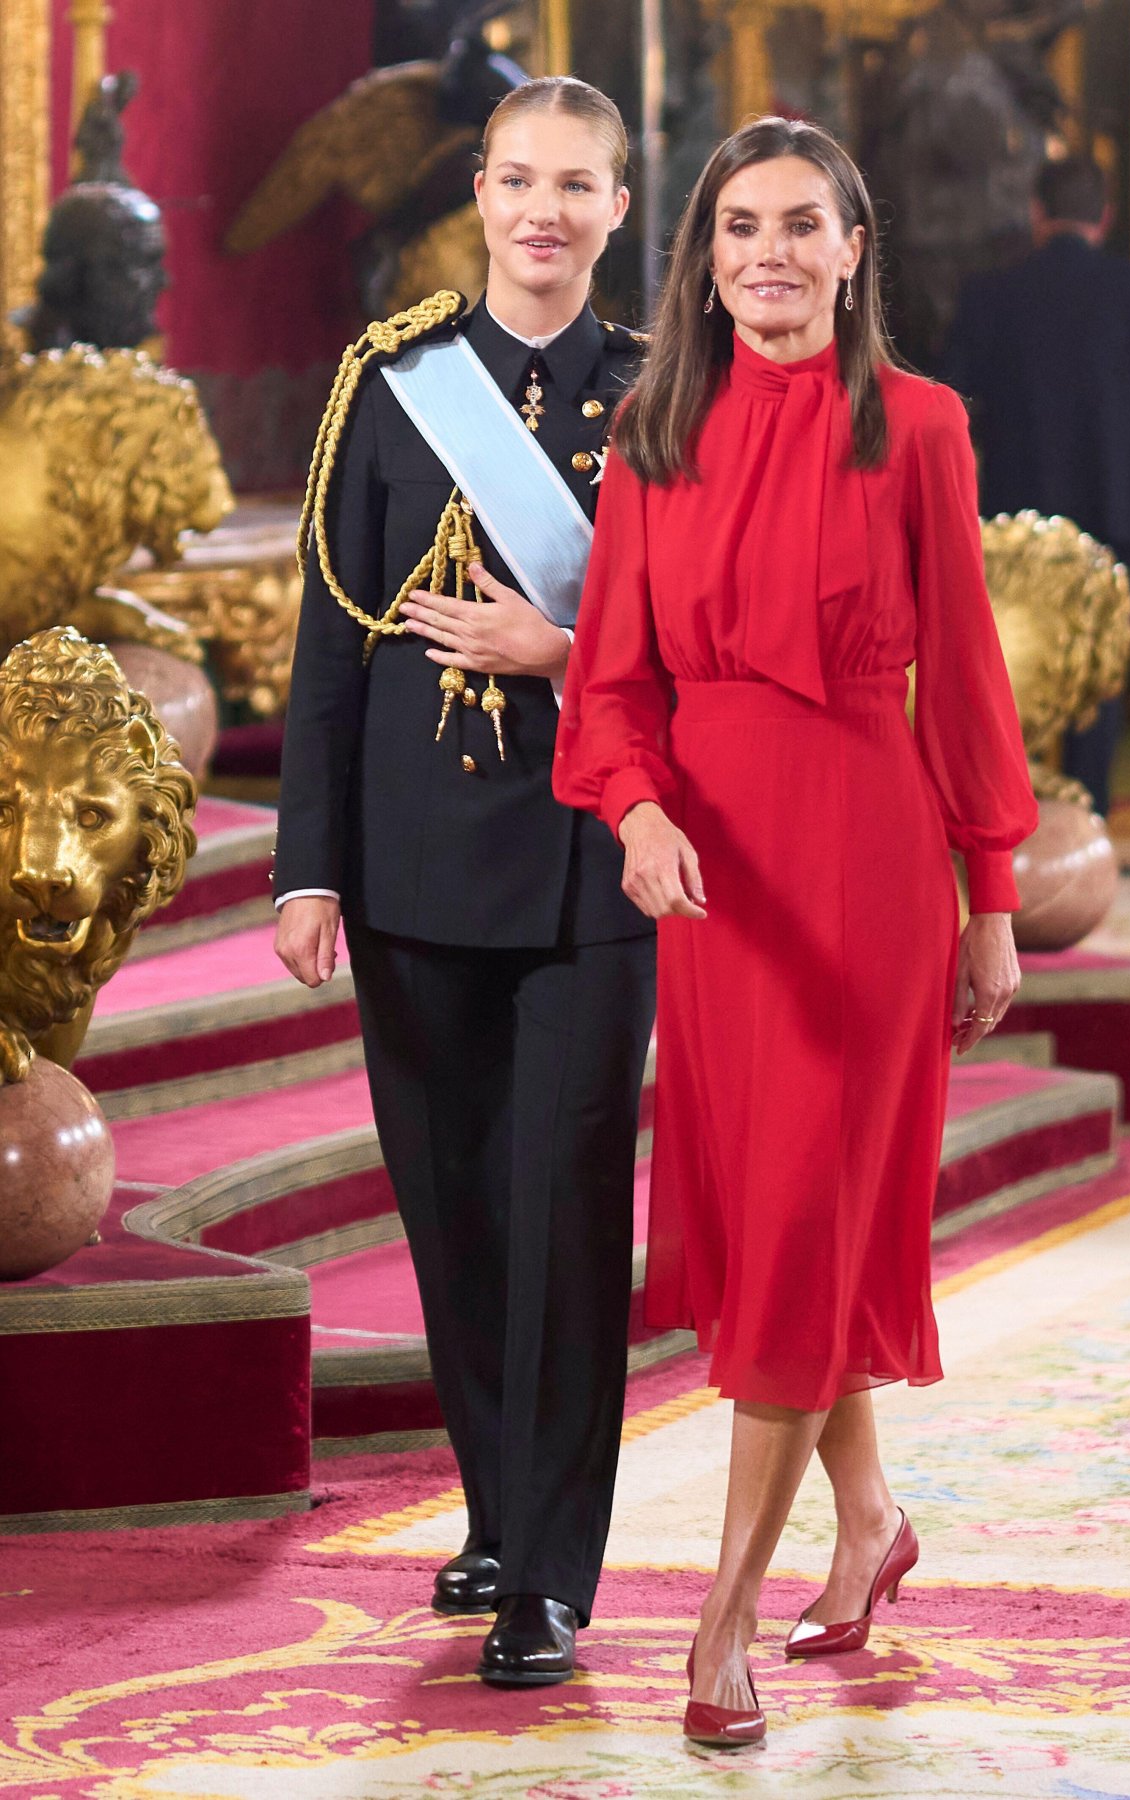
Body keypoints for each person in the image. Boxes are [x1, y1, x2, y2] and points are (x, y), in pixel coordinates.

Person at [554, 117, 1037, 1747]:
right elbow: (611, 681)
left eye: (801, 225)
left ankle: (721, 1618)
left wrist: (995, 901)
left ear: (852, 250)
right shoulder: (649, 438)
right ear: (703, 255)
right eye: (738, 224)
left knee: (799, 1214)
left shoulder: (924, 429)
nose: (767, 250)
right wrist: (634, 814)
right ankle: (875, 1517)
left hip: (874, 870)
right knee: (779, 1225)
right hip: (715, 877)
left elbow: (967, 679)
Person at [273, 77, 657, 1688]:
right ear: (480, 198)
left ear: (620, 211)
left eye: (577, 186)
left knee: (562, 1215)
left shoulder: (667, 397)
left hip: (587, 868)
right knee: (452, 1212)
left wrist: (560, 650)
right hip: (420, 861)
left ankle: (550, 1578)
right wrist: (310, 871)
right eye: (519, 181)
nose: (543, 212)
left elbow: (708, 646)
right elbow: (328, 648)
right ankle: (501, 1505)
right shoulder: (394, 383)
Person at [943, 154, 1130, 814]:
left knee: (1013, 667)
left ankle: (1010, 822)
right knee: (1101, 672)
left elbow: (954, 397)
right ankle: (1089, 824)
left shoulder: (991, 295)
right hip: (1118, 508)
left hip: (1018, 514)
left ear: (1036, 214)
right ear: (1105, 217)